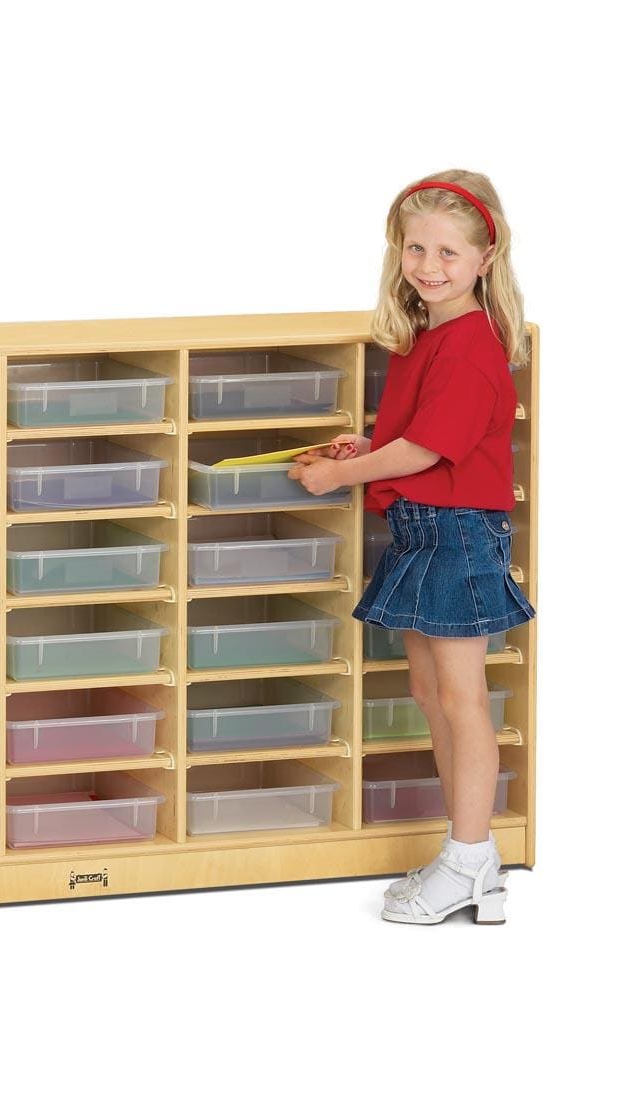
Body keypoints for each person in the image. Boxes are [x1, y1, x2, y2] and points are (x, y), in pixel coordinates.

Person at [288, 169, 536, 925]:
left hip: (457, 534)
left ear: (484, 261)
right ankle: (470, 861)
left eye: (448, 253)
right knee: (433, 695)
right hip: (426, 529)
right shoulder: (433, 335)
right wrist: (369, 444)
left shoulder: (468, 344)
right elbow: (423, 435)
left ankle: (470, 858)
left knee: (463, 703)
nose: (429, 265)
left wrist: (343, 473)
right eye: (415, 247)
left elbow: (426, 451)